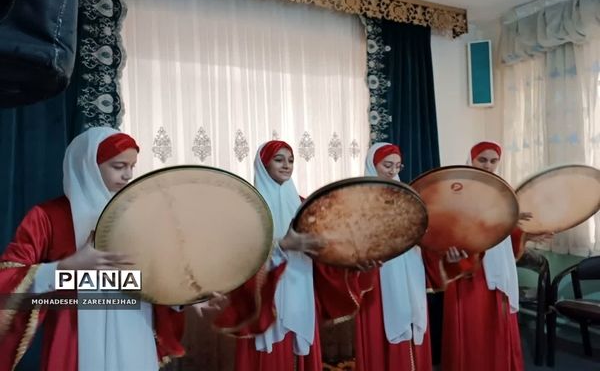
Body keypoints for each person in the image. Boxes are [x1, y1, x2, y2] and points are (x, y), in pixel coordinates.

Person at [0, 127, 222, 371]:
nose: (128, 175)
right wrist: (66, 268)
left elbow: (150, 277)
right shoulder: (47, 217)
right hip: (75, 335)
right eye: (118, 166)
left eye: (132, 166)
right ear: (89, 166)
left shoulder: (139, 215)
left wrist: (184, 295)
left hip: (134, 326)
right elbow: (8, 277)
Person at [215, 140, 371, 371]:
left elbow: (324, 252)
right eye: (279, 160)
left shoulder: (302, 206)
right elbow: (239, 258)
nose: (287, 165)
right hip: (268, 298)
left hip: (300, 291)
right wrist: (282, 246)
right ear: (263, 165)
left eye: (290, 160)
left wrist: (350, 260)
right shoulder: (249, 209)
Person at [422, 140, 550, 371]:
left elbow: (505, 232)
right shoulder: (457, 191)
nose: (488, 165)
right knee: (471, 327)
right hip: (467, 270)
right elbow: (448, 229)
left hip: (497, 272)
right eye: (482, 160)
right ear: (471, 159)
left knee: (496, 324)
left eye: (493, 161)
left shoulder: (505, 190)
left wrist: (527, 235)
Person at [354, 142, 432, 371]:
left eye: (397, 166)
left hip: (409, 268)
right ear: (372, 164)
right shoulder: (359, 198)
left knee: (411, 318)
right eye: (387, 165)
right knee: (380, 328)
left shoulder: (408, 197)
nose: (393, 171)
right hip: (378, 275)